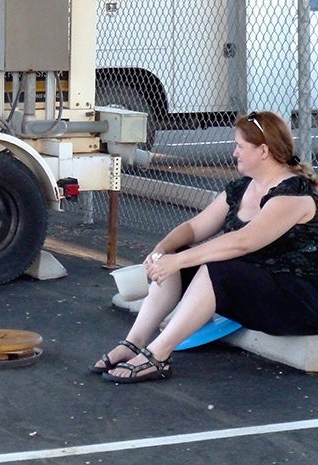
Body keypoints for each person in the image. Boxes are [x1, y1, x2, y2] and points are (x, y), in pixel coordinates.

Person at [91, 110, 318, 383]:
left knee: (216, 266)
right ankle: (133, 343)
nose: (234, 152)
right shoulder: (242, 188)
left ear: (263, 151)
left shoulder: (294, 195)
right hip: (257, 290)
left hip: (300, 300)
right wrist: (162, 251)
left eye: (239, 146)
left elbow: (242, 243)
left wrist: (179, 260)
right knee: (176, 256)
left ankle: (158, 355)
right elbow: (194, 228)